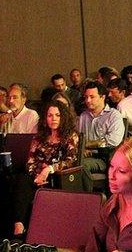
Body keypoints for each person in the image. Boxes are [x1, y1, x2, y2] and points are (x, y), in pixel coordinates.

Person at [12, 99, 81, 235]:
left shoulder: (70, 136)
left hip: (57, 177)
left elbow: (70, 160)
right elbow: (31, 161)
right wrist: (36, 175)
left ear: (63, 117)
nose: (53, 119)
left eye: (57, 115)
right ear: (45, 118)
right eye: (50, 115)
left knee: (26, 185)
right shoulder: (39, 137)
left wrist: (48, 169)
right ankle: (19, 225)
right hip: (36, 177)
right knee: (21, 180)